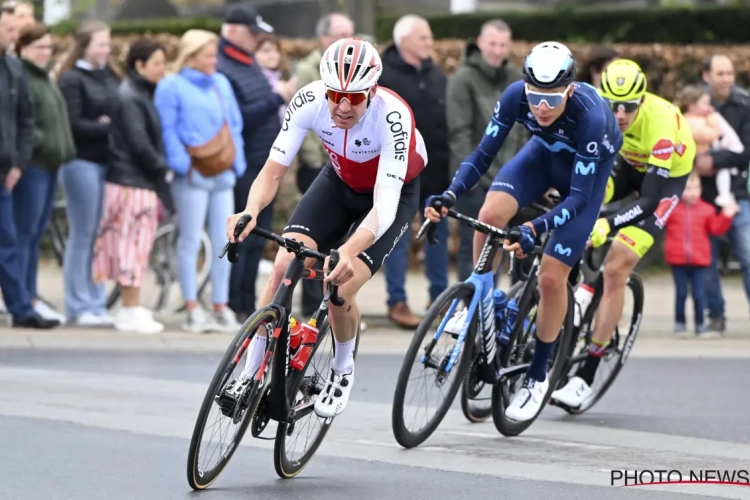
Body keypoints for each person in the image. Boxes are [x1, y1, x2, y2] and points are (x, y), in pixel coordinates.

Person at [226, 38, 427, 418]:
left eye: (355, 97)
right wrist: (249, 210)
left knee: (339, 285)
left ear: (372, 91)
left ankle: (342, 367)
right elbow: (273, 171)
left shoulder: (393, 116)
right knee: (285, 263)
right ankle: (249, 374)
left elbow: (384, 206)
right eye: (335, 94)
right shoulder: (308, 100)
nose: (343, 106)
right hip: (337, 182)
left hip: (391, 196)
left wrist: (349, 250)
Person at [427, 41, 622, 422]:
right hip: (541, 158)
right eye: (535, 97)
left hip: (584, 181)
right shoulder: (515, 96)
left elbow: (579, 199)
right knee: (489, 213)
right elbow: (482, 154)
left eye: (552, 98)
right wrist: (451, 193)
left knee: (551, 278)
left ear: (569, 89)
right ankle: (476, 300)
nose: (542, 107)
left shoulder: (591, 116)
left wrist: (535, 227)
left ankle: (536, 377)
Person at [551, 59, 695, 408]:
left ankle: (584, 378)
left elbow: (648, 199)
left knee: (617, 266)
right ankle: (584, 286)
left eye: (629, 106)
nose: (620, 114)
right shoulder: (597, 111)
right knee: (580, 201)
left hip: (663, 181)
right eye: (612, 105)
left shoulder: (661, 124)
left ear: (642, 99)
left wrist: (608, 224)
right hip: (629, 164)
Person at [154, 29, 246, 333]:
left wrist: (237, 161)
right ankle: (192, 307)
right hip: (191, 173)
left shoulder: (221, 83)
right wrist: (181, 164)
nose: (214, 60)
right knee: (190, 241)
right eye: (208, 55)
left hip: (223, 171)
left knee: (225, 240)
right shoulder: (171, 85)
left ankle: (220, 305)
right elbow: (167, 128)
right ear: (190, 55)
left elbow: (234, 124)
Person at [216, 5, 295, 323]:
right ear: (234, 31)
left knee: (256, 239)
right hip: (244, 165)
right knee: (240, 236)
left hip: (263, 166)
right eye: (253, 33)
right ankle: (234, 302)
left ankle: (246, 302)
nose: (257, 40)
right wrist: (277, 98)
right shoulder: (224, 67)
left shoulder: (246, 62)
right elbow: (240, 121)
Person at [94, 38, 171, 334]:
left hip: (132, 180)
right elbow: (139, 143)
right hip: (133, 182)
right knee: (132, 247)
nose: (162, 71)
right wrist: (162, 170)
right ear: (139, 65)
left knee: (131, 246)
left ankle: (131, 307)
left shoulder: (136, 93)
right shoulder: (131, 96)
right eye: (157, 64)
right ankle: (129, 308)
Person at [378, 14, 450, 328]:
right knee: (397, 238)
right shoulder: (384, 74)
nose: (429, 43)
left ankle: (440, 300)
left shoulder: (437, 75)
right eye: (423, 37)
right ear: (403, 40)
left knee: (437, 236)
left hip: (435, 170)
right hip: (398, 171)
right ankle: (397, 300)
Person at [446, 18, 527, 283]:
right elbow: (460, 133)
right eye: (492, 43)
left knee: (516, 247)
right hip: (477, 182)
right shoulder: (463, 79)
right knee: (476, 249)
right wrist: (470, 177)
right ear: (480, 43)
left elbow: (527, 130)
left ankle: (508, 311)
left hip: (514, 179)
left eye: (503, 44)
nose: (497, 50)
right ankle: (469, 309)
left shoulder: (518, 78)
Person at [57, 19, 121, 326]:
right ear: (85, 45)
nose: (106, 50)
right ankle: (77, 304)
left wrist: (109, 123)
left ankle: (96, 302)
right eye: (101, 44)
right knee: (82, 233)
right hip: (80, 162)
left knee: (98, 234)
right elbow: (73, 123)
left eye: (108, 44)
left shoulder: (108, 74)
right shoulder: (71, 79)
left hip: (105, 164)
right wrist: (105, 126)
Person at [293, 12, 355, 316]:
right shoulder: (309, 69)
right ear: (324, 38)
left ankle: (330, 304)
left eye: (351, 34)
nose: (347, 41)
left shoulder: (356, 72)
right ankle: (307, 305)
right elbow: (304, 121)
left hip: (344, 165)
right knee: (309, 239)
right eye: (340, 34)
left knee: (337, 240)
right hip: (318, 163)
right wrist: (314, 159)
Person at [0, 6, 59, 328]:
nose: (14, 36)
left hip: (5, 171)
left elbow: (25, 119)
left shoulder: (12, 66)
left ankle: (22, 308)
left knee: (9, 240)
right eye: (8, 29)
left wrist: (17, 163)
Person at [14, 22, 74, 324]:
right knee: (24, 233)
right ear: (23, 48)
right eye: (39, 47)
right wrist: (40, 142)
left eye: (49, 47)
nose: (45, 52)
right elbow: (21, 118)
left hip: (51, 164)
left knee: (35, 234)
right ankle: (20, 299)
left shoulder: (45, 77)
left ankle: (30, 295)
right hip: (34, 164)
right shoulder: (23, 75)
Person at [697, 54, 750, 333]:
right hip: (701, 197)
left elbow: (746, 151)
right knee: (706, 261)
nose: (726, 79)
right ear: (707, 76)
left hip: (737, 196)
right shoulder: (695, 106)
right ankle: (715, 315)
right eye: (720, 73)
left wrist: (713, 161)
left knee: (749, 255)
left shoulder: (744, 105)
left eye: (729, 73)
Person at [663, 173, 736, 337]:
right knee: (681, 293)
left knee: (699, 294)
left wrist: (726, 216)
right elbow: (659, 222)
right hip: (677, 258)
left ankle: (700, 324)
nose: (693, 192)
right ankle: (680, 323)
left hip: (700, 260)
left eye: (696, 188)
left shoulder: (707, 210)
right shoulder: (672, 209)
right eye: (688, 188)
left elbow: (716, 229)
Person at [676, 84, 743, 209]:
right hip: (694, 161)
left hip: (708, 158)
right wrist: (714, 122)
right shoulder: (689, 121)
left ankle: (724, 195)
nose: (709, 107)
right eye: (705, 104)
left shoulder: (700, 118)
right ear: (692, 105)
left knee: (723, 171)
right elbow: (709, 135)